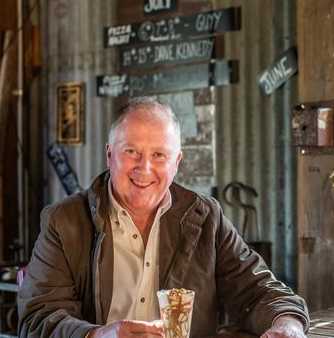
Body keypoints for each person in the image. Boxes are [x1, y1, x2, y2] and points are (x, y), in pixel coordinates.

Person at [18, 98, 309, 337]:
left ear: (177, 162)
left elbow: (257, 290)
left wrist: (287, 324)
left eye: (159, 155)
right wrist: (97, 335)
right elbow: (38, 319)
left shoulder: (206, 218)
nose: (144, 169)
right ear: (109, 154)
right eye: (131, 151)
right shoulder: (63, 221)